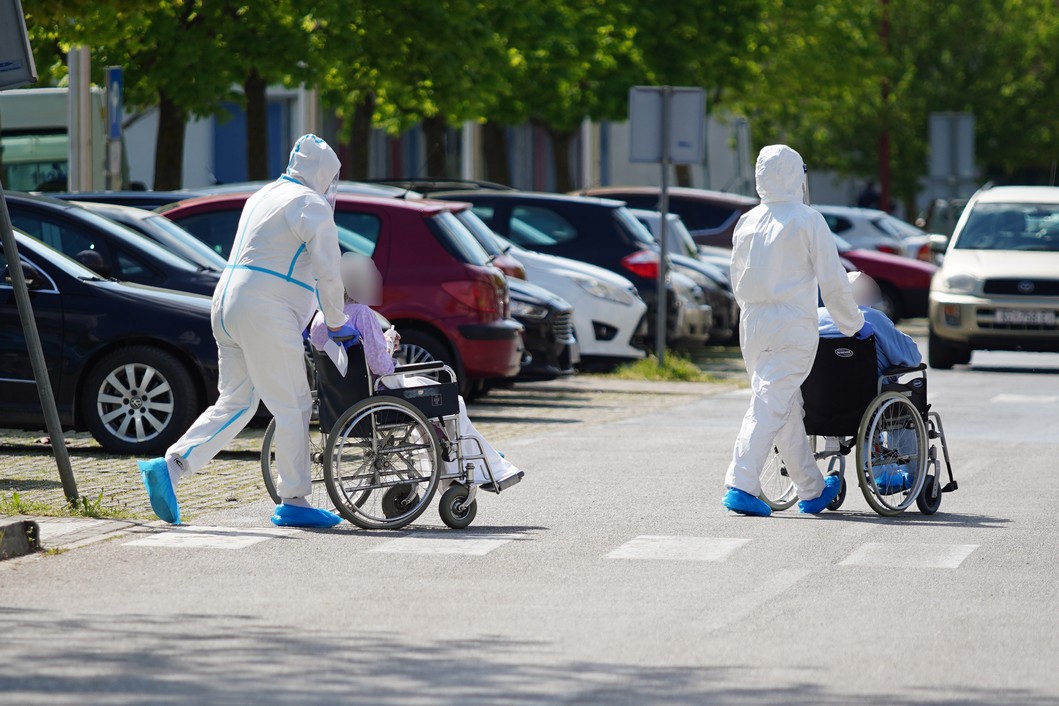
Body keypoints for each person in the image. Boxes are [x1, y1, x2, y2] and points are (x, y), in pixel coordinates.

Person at [137, 134, 358, 529]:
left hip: (226, 304)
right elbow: (329, 270)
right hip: (266, 311)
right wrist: (338, 322)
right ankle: (294, 500)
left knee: (236, 402)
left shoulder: (264, 195)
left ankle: (169, 467)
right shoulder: (312, 205)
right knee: (292, 405)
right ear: (325, 174)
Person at [722, 144, 871, 517]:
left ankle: (812, 488)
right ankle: (740, 482)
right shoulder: (807, 219)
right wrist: (852, 324)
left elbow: (735, 278)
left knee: (783, 405)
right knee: (771, 402)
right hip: (792, 323)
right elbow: (834, 281)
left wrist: (753, 311)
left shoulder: (748, 221)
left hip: (753, 322)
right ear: (797, 175)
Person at [309, 253, 524, 492]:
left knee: (433, 408)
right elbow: (381, 367)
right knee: (453, 401)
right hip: (379, 394)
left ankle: (474, 459)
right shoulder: (363, 314)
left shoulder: (321, 318)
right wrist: (388, 342)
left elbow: (350, 356)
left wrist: (382, 343)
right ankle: (479, 464)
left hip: (341, 400)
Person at [819, 272, 923, 494]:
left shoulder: (814, 318)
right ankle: (909, 475)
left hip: (819, 403)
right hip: (867, 402)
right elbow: (912, 358)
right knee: (904, 401)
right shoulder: (872, 318)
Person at [818, 272, 922, 375]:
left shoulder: (817, 317)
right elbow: (912, 358)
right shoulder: (871, 317)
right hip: (868, 388)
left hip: (818, 389)